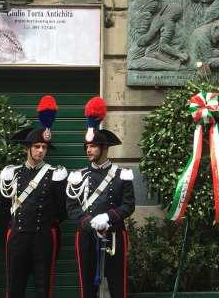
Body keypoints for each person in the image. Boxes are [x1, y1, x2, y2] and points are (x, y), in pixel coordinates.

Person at [0, 95, 68, 298]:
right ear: (27, 148)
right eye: (37, 147)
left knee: (44, 287)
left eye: (44, 147)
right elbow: (5, 206)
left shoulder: (55, 174)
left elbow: (61, 210)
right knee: (14, 287)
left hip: (43, 237)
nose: (40, 151)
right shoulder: (12, 173)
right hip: (18, 236)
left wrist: (46, 224)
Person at [66, 97, 135, 298]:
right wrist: (88, 222)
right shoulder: (77, 176)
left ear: (104, 148)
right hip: (86, 236)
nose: (88, 149)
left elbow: (129, 205)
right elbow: (72, 207)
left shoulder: (122, 174)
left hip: (114, 236)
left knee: (118, 287)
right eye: (87, 146)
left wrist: (108, 217)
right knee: (87, 289)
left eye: (93, 146)